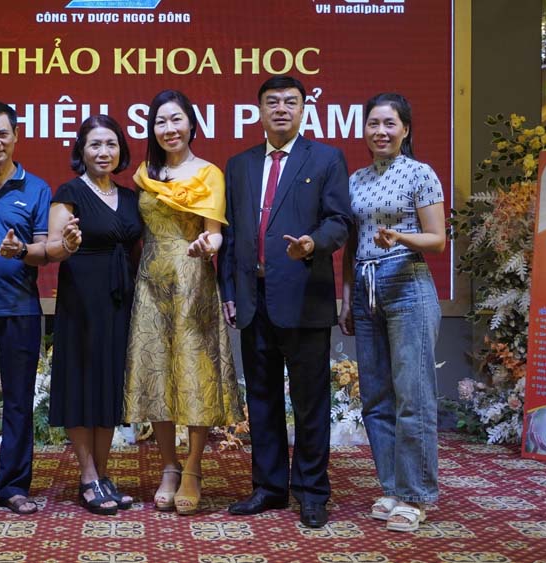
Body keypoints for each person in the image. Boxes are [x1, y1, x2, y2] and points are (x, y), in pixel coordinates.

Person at [218, 75, 352, 527]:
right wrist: (229, 291)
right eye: (272, 102)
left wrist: (313, 243)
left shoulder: (326, 158)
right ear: (259, 110)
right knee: (262, 400)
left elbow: (339, 220)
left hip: (304, 297)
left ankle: (312, 491)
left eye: (290, 102)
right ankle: (269, 487)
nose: (281, 109)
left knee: (311, 402)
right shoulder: (239, 164)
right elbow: (230, 233)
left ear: (302, 110)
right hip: (253, 298)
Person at [0, 100, 78, 517]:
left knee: (19, 401)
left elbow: (45, 250)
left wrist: (21, 250)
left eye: (2, 133)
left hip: (20, 309)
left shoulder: (36, 188)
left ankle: (15, 486)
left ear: (16, 136)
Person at [123, 90, 243, 516]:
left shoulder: (209, 173)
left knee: (195, 373)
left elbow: (216, 233)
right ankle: (168, 466)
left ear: (192, 124)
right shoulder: (145, 174)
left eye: (176, 120)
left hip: (193, 281)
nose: (169, 129)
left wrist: (207, 245)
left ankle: (193, 468)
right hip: (151, 285)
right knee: (156, 374)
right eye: (160, 121)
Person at [338, 92, 445, 533]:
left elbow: (436, 239)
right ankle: (392, 487)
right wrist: (347, 298)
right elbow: (351, 245)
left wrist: (400, 238)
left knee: (412, 396)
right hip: (365, 289)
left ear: (405, 130)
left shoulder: (420, 173)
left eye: (389, 124)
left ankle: (415, 496)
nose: (380, 132)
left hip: (407, 285)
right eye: (373, 124)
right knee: (376, 398)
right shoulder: (355, 180)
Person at [47, 115, 142, 515]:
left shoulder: (131, 197)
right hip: (81, 301)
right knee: (81, 384)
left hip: (120, 301)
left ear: (121, 150)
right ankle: (87, 476)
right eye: (95, 145)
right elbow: (52, 247)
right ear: (81, 151)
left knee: (108, 386)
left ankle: (102, 475)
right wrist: (66, 243)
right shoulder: (69, 193)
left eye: (111, 144)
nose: (103, 152)